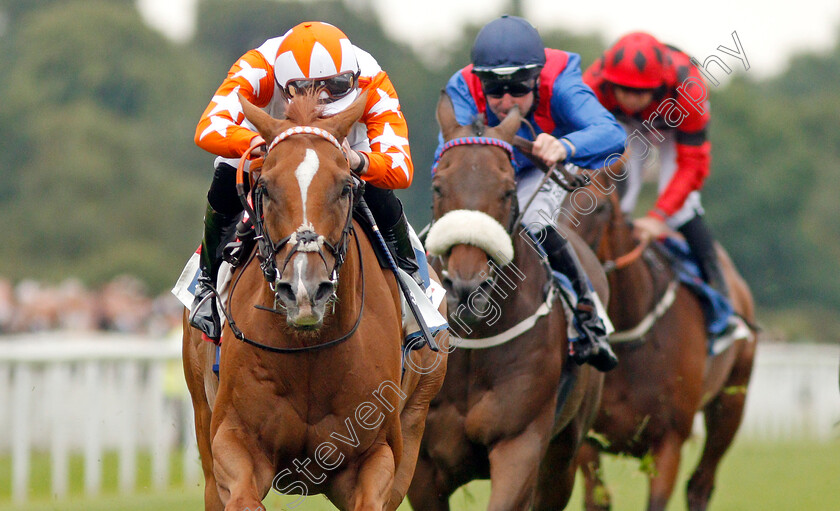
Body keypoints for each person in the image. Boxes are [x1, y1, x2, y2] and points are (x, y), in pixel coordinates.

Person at [191, 21, 419, 341]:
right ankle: (206, 283)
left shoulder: (370, 75)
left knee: (378, 184)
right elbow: (209, 128)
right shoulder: (259, 65)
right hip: (274, 143)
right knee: (228, 167)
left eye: (339, 87)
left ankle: (411, 280)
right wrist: (271, 145)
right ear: (288, 88)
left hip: (347, 146)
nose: (327, 99)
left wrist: (357, 161)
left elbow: (401, 168)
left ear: (351, 76)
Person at [438, 15, 625, 371]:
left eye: (520, 88)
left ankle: (585, 312)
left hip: (546, 162)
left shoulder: (562, 79)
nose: (506, 100)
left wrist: (566, 146)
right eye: (494, 90)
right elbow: (445, 159)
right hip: (490, 172)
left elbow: (611, 133)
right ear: (480, 81)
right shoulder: (461, 87)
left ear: (537, 77)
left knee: (533, 221)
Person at [583, 32, 731, 305]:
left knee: (681, 208)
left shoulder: (690, 90)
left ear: (659, 84)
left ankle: (718, 284)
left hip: (675, 123)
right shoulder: (594, 83)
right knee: (616, 195)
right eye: (623, 89)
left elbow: (692, 165)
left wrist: (658, 216)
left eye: (640, 92)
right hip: (625, 124)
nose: (631, 98)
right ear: (609, 82)